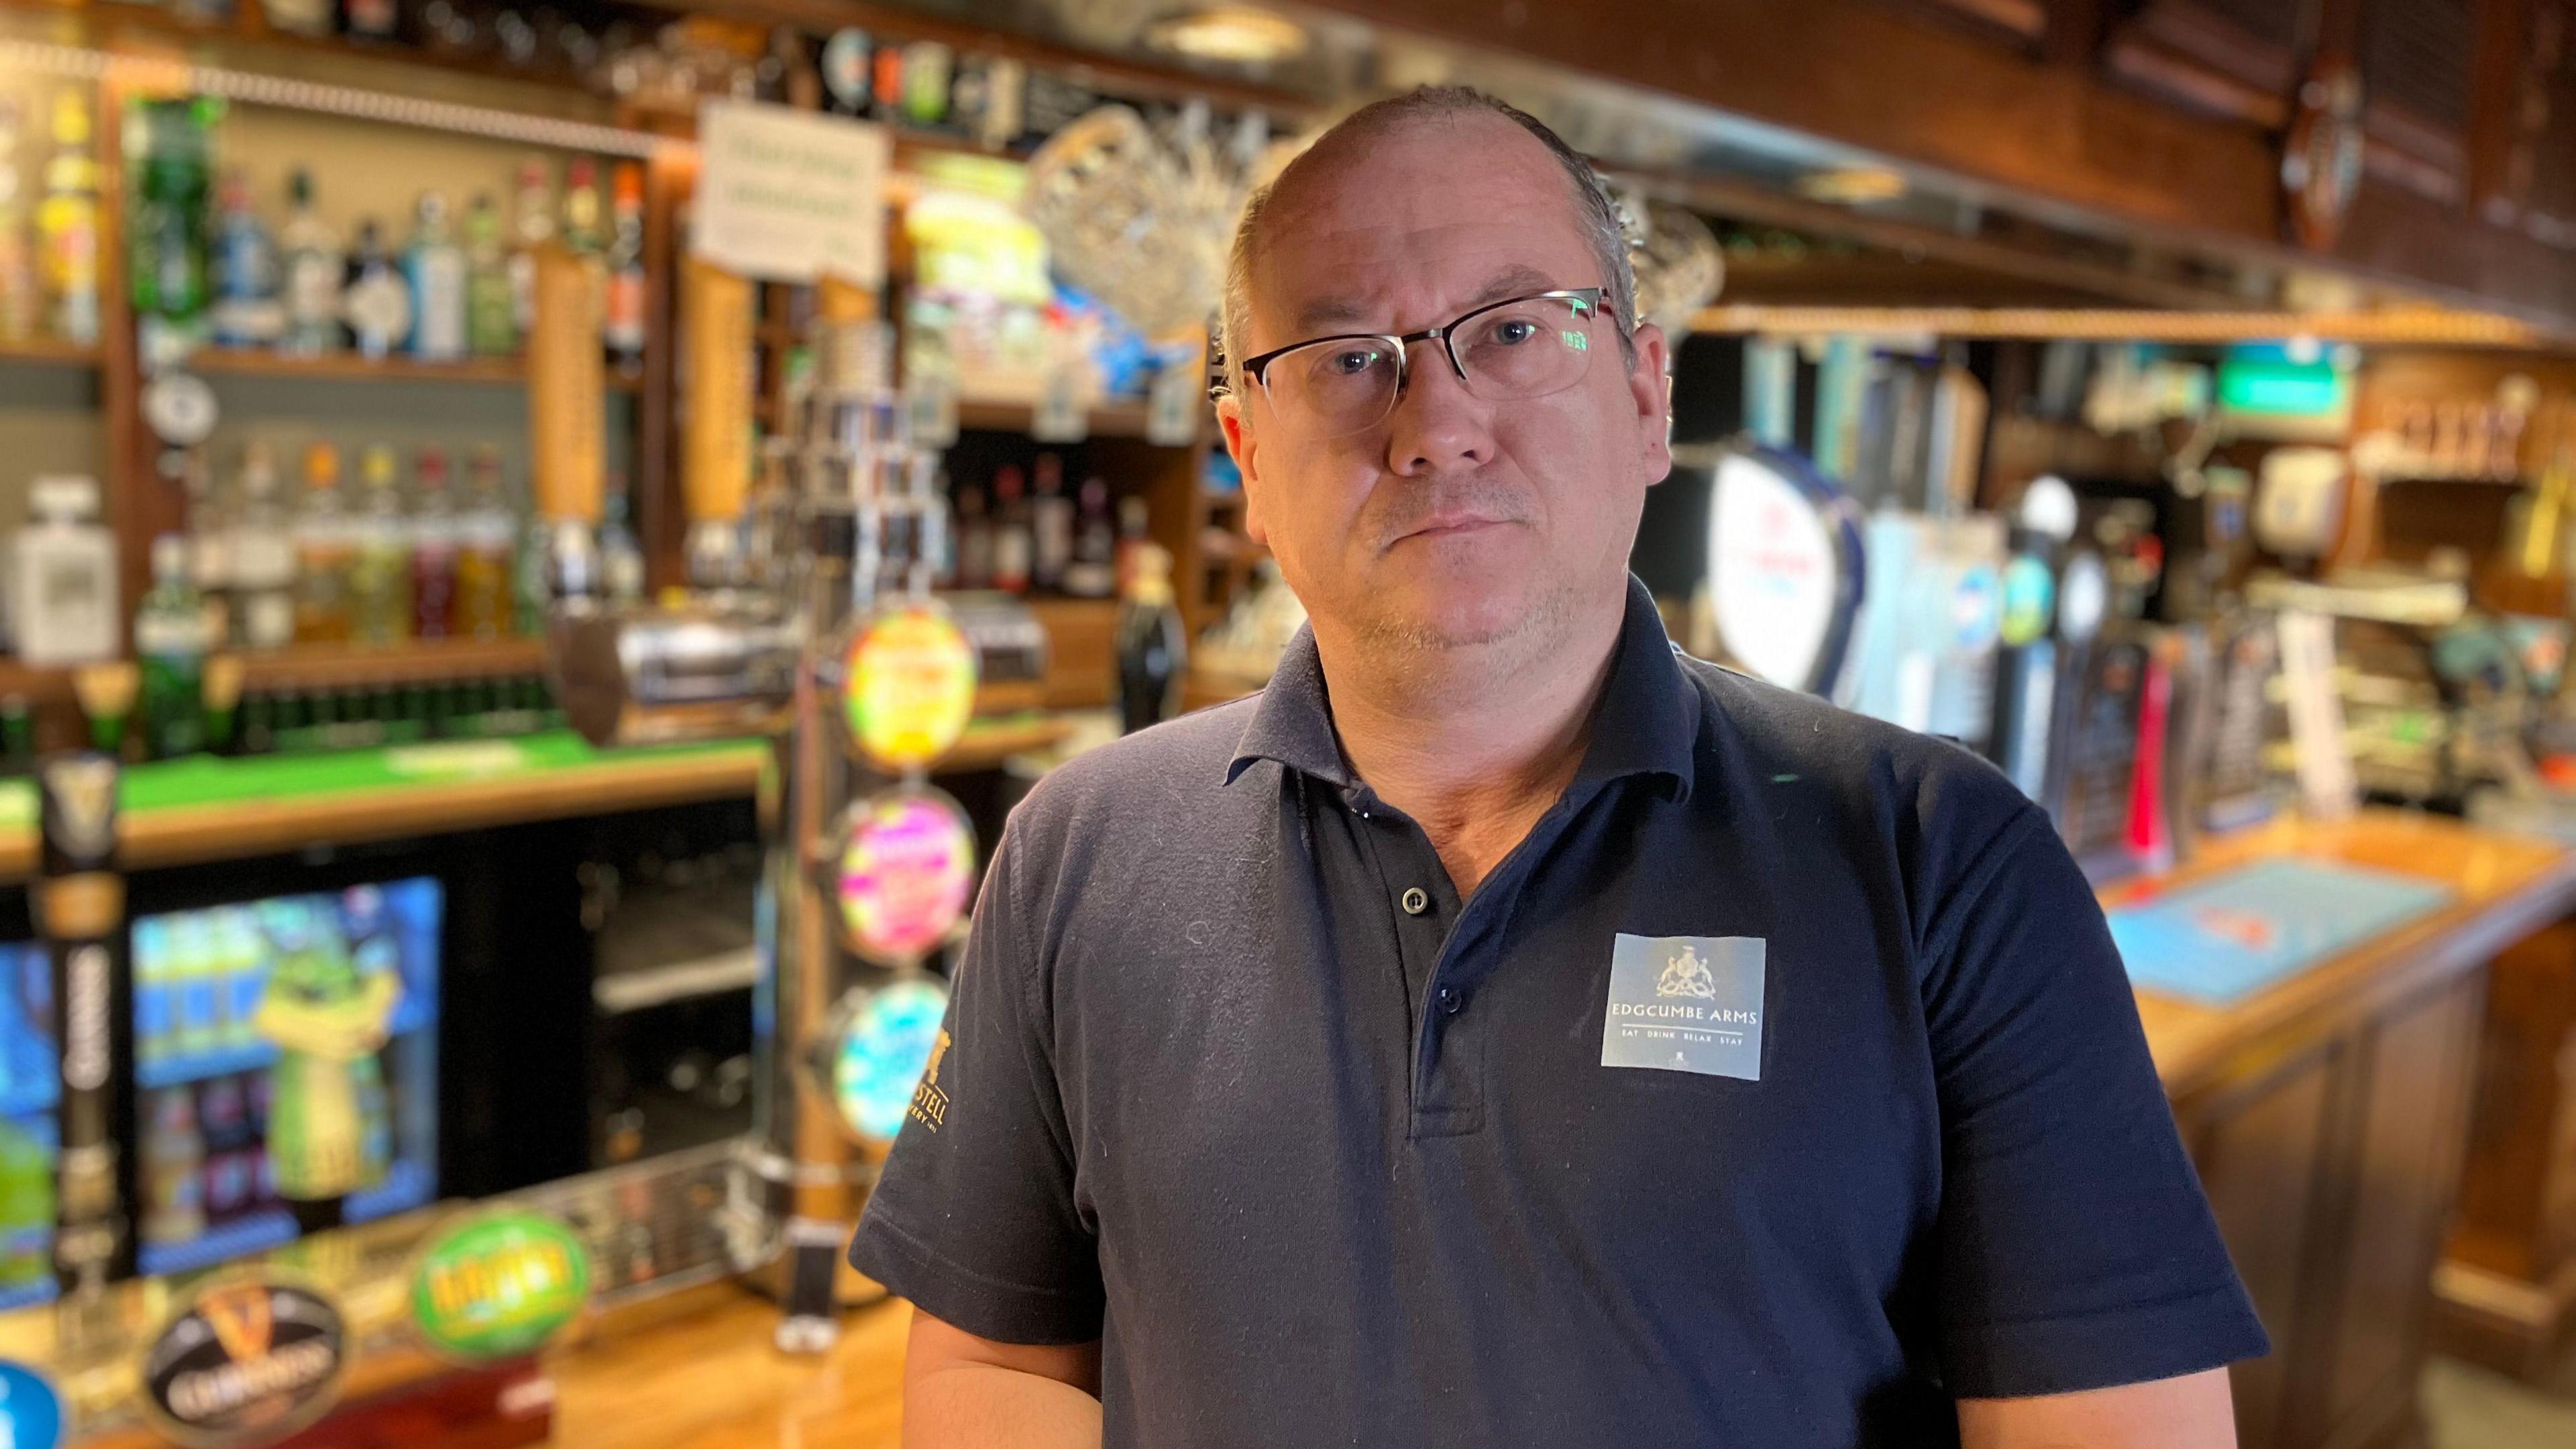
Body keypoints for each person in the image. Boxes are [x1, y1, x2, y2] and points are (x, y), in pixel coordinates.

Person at [851, 87, 2266, 1448]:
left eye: (1516, 329)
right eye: (1347, 360)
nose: (1435, 423)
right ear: (1248, 460)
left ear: (1648, 398)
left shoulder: (1944, 862)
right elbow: (991, 1358)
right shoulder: (1077, 855)